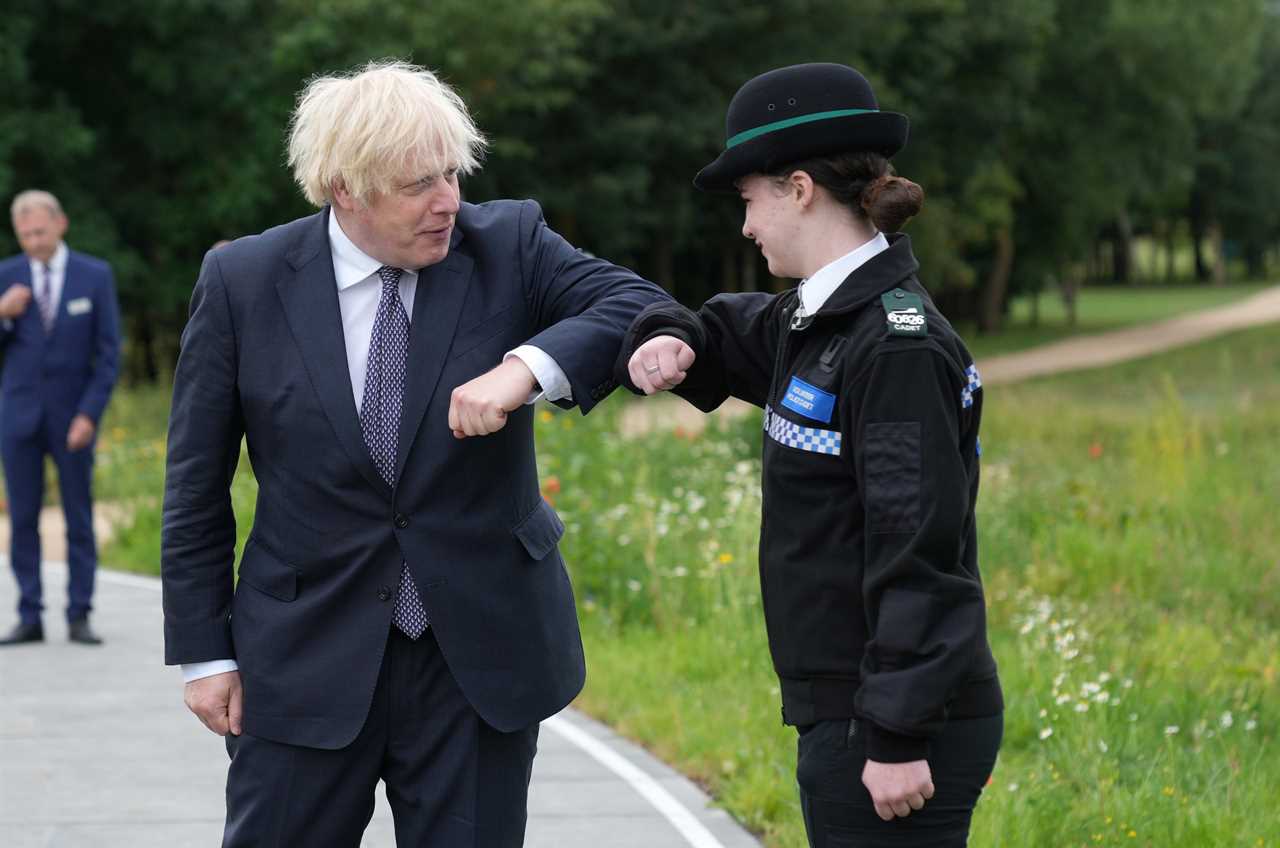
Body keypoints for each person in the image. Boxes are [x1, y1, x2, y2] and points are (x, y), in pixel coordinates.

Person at [161, 60, 667, 847]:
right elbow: (196, 481)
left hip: (477, 662)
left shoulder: (510, 243)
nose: (447, 203)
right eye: (416, 185)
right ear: (344, 189)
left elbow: (636, 305)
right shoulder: (243, 281)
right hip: (301, 656)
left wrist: (522, 370)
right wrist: (202, 653)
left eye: (452, 174)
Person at [617, 63, 1003, 847]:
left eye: (750, 200)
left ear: (798, 189)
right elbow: (726, 330)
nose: (747, 227)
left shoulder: (894, 348)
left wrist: (896, 734)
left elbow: (917, 552)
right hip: (850, 710)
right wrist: (672, 337)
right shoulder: (818, 318)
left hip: (893, 725)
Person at [0, 190, 120, 646]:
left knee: (78, 518)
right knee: (23, 518)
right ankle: (29, 613)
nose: (33, 242)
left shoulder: (94, 275)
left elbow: (108, 355)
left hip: (74, 420)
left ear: (60, 224)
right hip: (18, 420)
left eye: (40, 232)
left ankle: (79, 613)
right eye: (25, 234)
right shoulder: (6, 276)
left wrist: (89, 414)